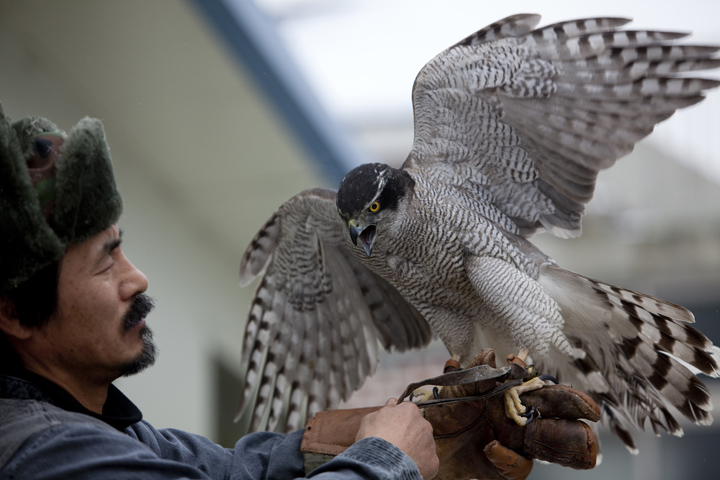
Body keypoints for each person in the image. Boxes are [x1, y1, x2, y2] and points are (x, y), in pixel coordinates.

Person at [0, 106, 598, 480]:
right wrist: (386, 464)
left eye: (123, 248)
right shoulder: (47, 454)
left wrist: (419, 425)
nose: (138, 277)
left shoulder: (115, 434)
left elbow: (237, 471)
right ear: (13, 314)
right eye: (106, 263)